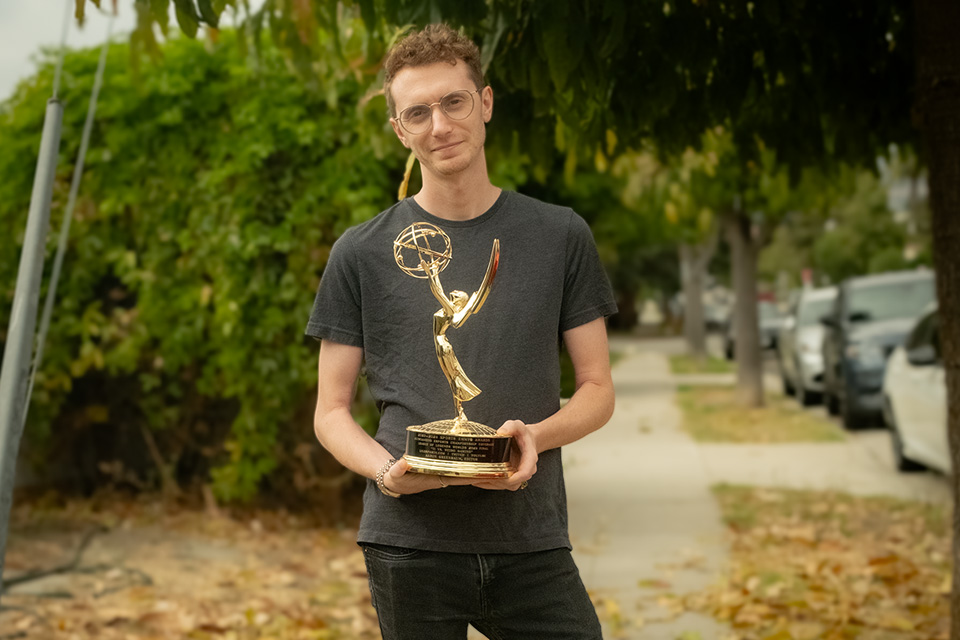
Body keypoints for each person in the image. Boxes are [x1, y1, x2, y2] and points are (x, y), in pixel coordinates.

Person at [306, 23, 617, 640]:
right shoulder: (360, 252)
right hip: (408, 544)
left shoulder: (559, 236)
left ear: (486, 103)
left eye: (453, 102)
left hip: (529, 536)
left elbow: (597, 390)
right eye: (417, 112)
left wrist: (534, 436)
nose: (440, 125)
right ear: (399, 129)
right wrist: (385, 470)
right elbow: (330, 411)